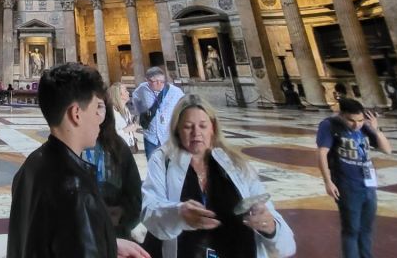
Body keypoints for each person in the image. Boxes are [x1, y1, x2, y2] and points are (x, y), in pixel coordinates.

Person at [7, 62, 150, 258]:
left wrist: (108, 245)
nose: (101, 118)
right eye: (95, 109)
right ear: (76, 114)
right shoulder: (76, 189)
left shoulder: (31, 165)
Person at [141, 94, 296, 258]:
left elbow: (272, 221)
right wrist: (178, 213)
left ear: (213, 128)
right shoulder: (162, 160)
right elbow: (150, 211)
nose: (196, 133)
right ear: (177, 130)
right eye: (188, 127)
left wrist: (270, 227)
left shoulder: (236, 163)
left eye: (202, 126)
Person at [317, 97, 392, 258]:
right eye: (352, 120)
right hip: (346, 184)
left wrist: (375, 129)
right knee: (351, 228)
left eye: (360, 120)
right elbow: (322, 153)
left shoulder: (364, 127)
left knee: (366, 228)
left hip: (368, 184)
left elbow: (387, 150)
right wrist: (328, 181)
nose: (356, 124)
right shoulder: (329, 125)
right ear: (342, 115)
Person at [83, 93, 143, 241]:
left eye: (100, 107)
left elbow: (134, 192)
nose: (95, 113)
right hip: (81, 237)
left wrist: (124, 214)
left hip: (117, 233)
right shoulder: (69, 148)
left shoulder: (118, 146)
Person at [132, 67, 184, 159]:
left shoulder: (175, 92)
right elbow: (135, 98)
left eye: (162, 81)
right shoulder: (142, 89)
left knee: (170, 166)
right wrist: (142, 112)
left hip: (168, 137)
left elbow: (184, 107)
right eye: (155, 81)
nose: (159, 84)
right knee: (153, 166)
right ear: (147, 80)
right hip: (151, 137)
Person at [108, 82, 138, 151]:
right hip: (117, 149)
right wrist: (126, 130)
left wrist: (132, 127)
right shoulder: (112, 112)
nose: (128, 93)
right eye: (125, 91)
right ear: (119, 95)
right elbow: (110, 135)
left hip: (128, 146)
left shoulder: (126, 109)